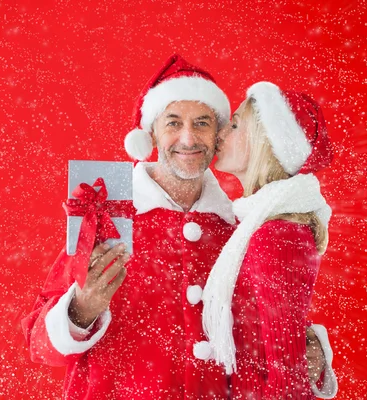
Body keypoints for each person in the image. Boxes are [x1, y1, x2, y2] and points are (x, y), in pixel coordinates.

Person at [21, 55, 335, 399]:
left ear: (218, 133)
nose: (188, 139)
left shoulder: (240, 231)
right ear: (151, 133)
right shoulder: (108, 218)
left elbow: (270, 340)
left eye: (201, 123)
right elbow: (38, 345)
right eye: (173, 123)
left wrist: (311, 360)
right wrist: (81, 310)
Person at [193, 82, 338, 399]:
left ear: (264, 141)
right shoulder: (259, 226)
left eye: (234, 125)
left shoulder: (275, 235)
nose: (220, 134)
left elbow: (286, 373)